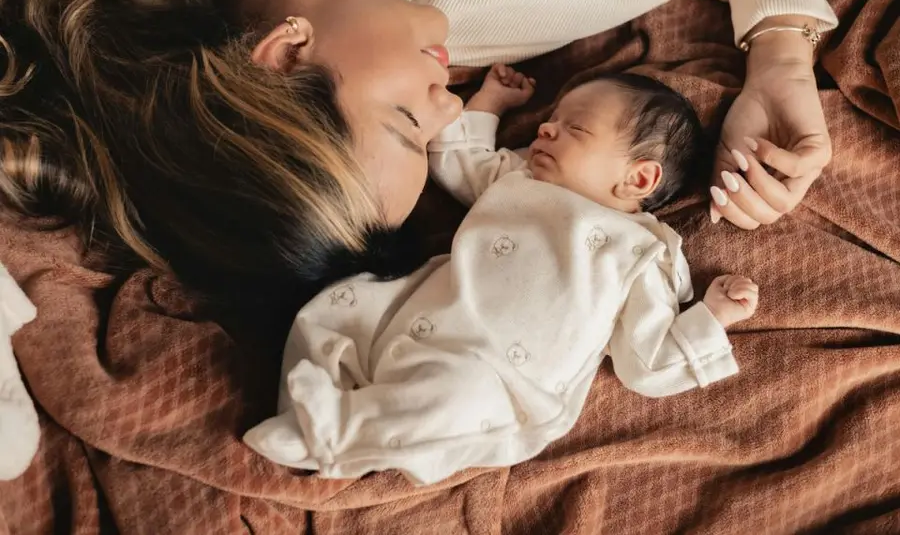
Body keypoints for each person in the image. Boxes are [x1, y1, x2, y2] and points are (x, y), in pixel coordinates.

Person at [2, 0, 837, 294]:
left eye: (406, 121)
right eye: (435, 135)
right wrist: (782, 54)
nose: (450, 111)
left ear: (284, 55)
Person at [243, 66, 759, 484]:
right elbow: (457, 160)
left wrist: (711, 317)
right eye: (551, 120)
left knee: (448, 400)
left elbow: (645, 362)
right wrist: (491, 102)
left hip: (502, 377)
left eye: (575, 128)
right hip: (422, 307)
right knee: (338, 307)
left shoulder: (643, 253)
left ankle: (331, 436)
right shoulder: (521, 176)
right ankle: (299, 403)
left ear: (639, 177)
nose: (546, 129)